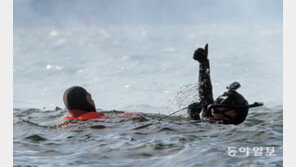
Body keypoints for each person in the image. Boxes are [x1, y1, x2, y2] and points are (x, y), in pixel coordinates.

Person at [187, 44, 262, 125]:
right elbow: (205, 90)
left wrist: (194, 118)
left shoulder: (218, 126)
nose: (217, 104)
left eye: (221, 103)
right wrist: (203, 63)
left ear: (231, 113)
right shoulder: (210, 115)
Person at [62, 86, 143, 121]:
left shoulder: (65, 121)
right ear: (82, 101)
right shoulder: (93, 117)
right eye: (90, 98)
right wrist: (138, 115)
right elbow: (117, 119)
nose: (93, 101)